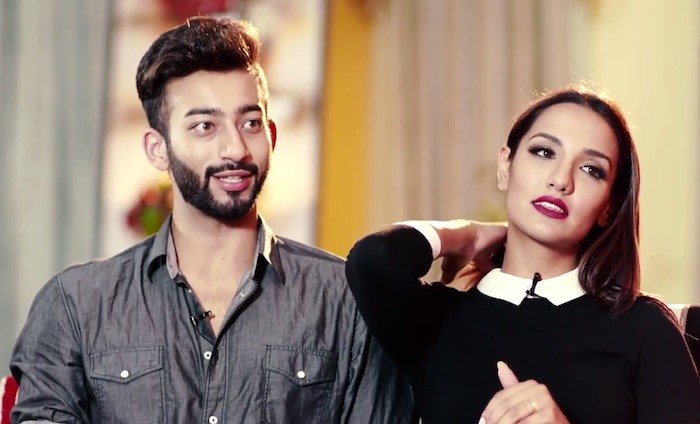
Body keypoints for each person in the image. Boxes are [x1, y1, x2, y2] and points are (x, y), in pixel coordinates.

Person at [10, 16, 413, 423]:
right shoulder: (76, 304)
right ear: (158, 149)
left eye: (250, 123)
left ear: (271, 136)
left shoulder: (345, 300)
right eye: (205, 126)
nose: (235, 148)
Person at [345, 85, 700, 424]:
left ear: (608, 207)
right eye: (544, 152)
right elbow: (374, 259)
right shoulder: (440, 320)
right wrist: (468, 235)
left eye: (591, 169)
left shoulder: (645, 329)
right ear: (505, 166)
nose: (561, 180)